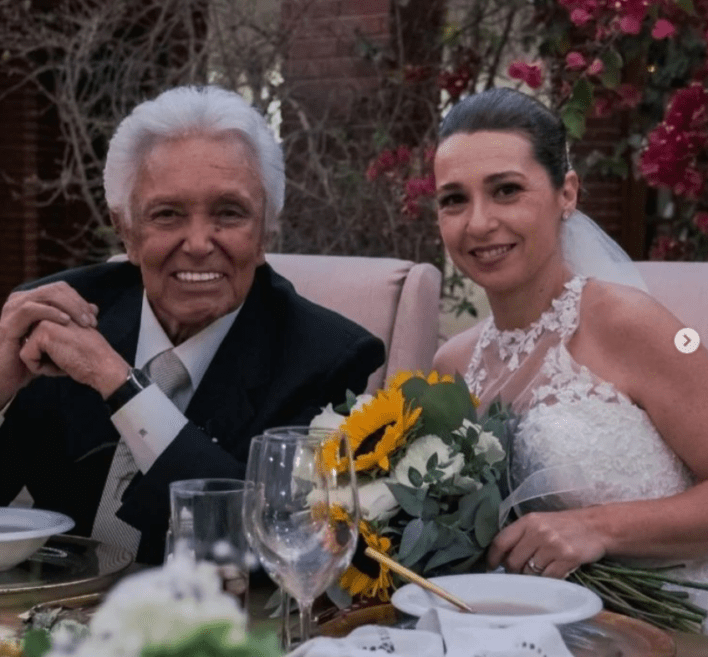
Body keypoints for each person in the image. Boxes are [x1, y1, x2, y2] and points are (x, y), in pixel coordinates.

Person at [0, 85, 385, 565]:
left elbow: (264, 545)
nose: (199, 242)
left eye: (229, 213)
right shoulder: (66, 314)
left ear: (266, 231)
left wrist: (121, 386)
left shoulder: (326, 355)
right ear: (126, 230)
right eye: (168, 215)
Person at [432, 87, 708, 615]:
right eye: (454, 199)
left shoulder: (630, 322)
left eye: (507, 190)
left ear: (567, 194)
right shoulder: (452, 365)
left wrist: (596, 527)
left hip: (677, 627)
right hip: (525, 631)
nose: (479, 222)